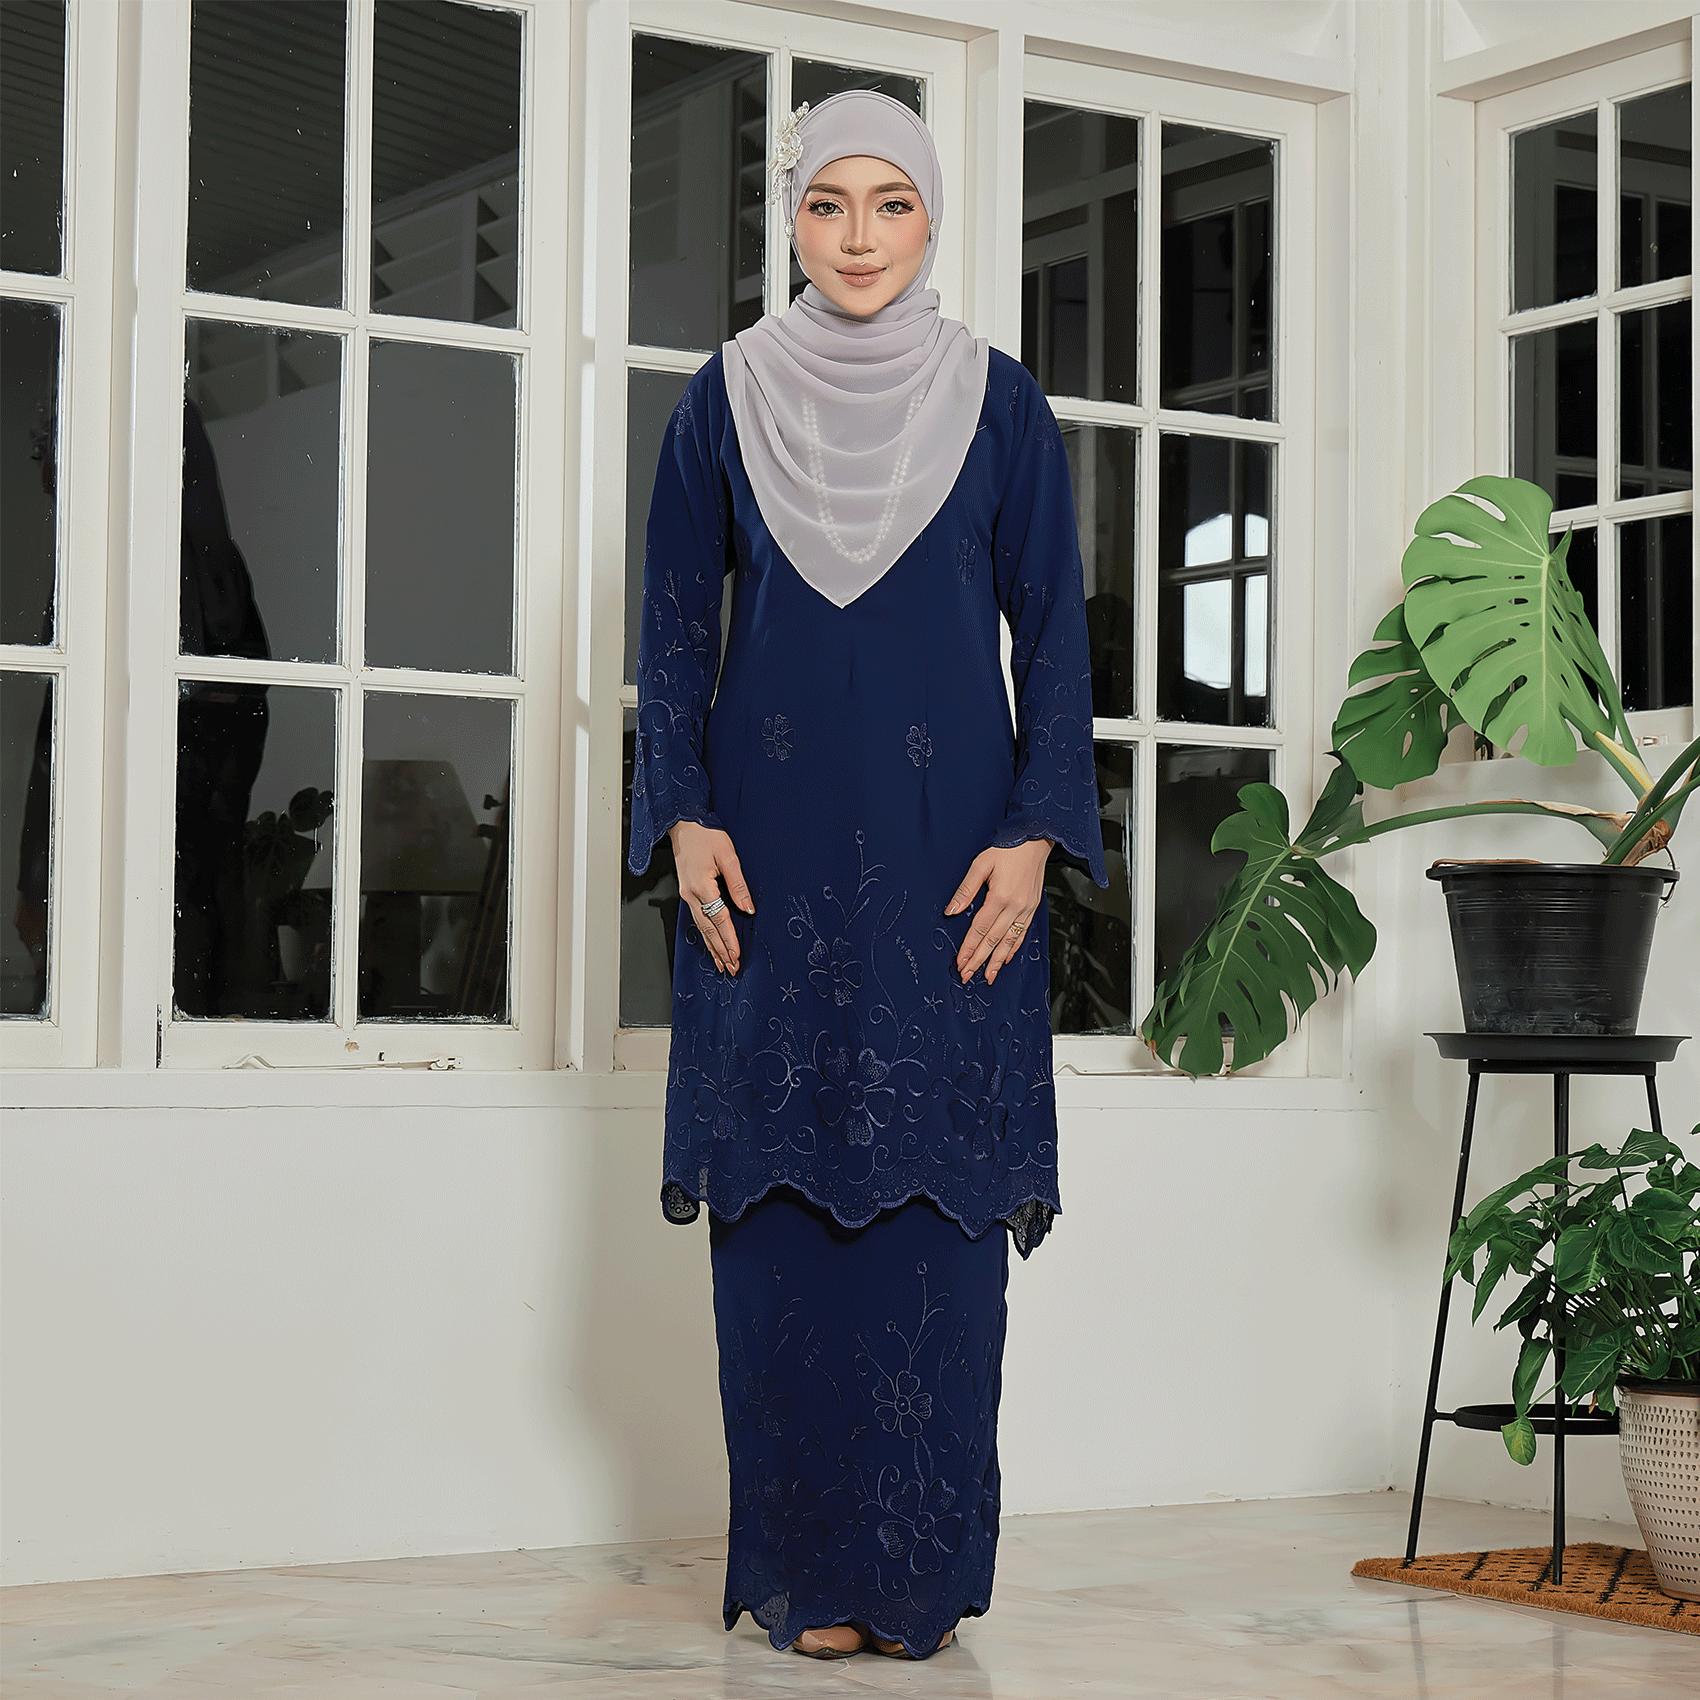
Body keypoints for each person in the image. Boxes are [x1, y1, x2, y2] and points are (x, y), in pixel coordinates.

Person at [625, 88, 1107, 1662]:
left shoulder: (1001, 406)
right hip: (762, 879)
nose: (857, 237)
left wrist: (1036, 835)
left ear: (932, 216)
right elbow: (673, 632)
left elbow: (1058, 632)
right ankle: (809, 1579)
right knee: (777, 1232)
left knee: (938, 1239)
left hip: (951, 874)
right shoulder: (722, 402)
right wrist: (682, 815)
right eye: (827, 204)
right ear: (792, 221)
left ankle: (912, 1584)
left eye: (889, 203)